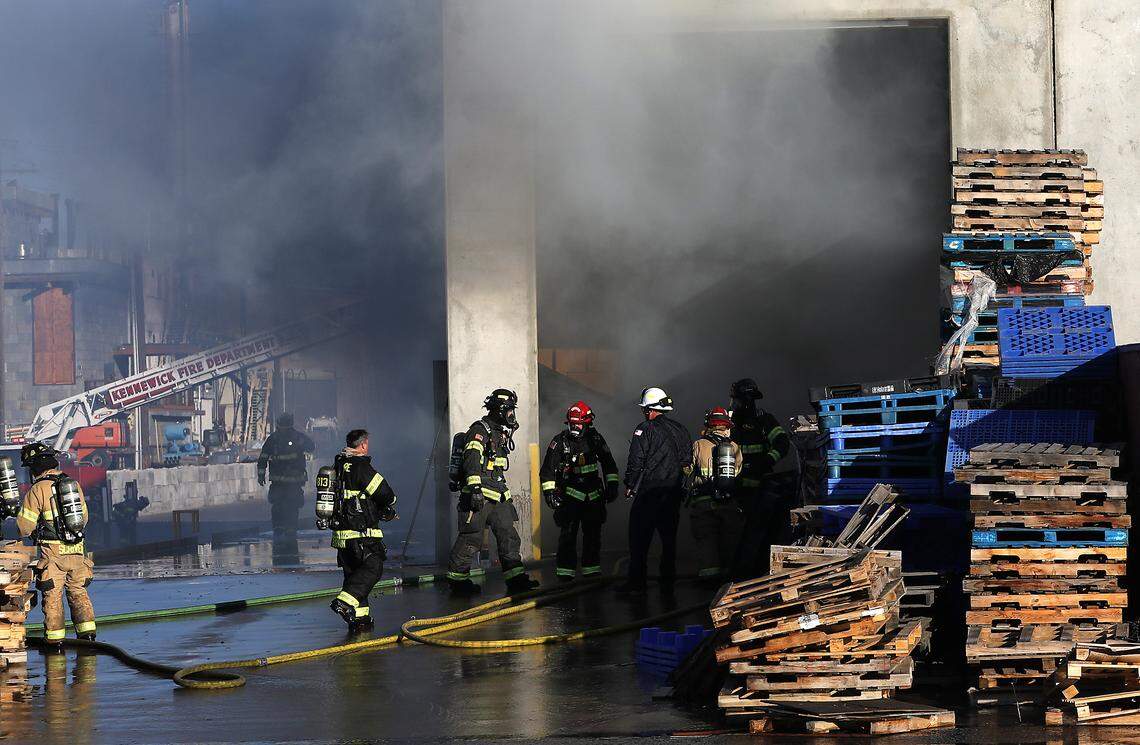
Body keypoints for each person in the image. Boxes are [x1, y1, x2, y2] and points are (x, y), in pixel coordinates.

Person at [447, 388, 540, 596]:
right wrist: (475, 489)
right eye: (509, 410)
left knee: (509, 535)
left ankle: (515, 579)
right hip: (478, 495)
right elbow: (471, 459)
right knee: (471, 539)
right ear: (499, 410)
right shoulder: (480, 430)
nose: (511, 415)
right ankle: (458, 581)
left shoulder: (499, 433)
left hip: (498, 494)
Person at [14, 443, 96, 649]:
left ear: (35, 467)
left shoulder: (38, 489)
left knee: (52, 596)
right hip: (78, 551)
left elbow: (24, 526)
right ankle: (88, 637)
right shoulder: (73, 484)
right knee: (78, 592)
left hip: (53, 554)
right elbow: (84, 517)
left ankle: (55, 641)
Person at [621, 387, 691, 594]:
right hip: (673, 493)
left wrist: (630, 484)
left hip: (650, 492)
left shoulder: (644, 429)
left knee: (639, 538)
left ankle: (636, 583)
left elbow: (636, 461)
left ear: (648, 409)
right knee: (668, 539)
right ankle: (667, 580)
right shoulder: (681, 429)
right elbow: (687, 461)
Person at [540, 401, 620, 582]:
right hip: (569, 497)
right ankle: (565, 574)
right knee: (567, 536)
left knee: (593, 535)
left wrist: (612, 486)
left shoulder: (596, 439)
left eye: (578, 425)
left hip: (593, 496)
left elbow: (609, 464)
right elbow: (547, 471)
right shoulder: (560, 442)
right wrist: (550, 494)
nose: (575, 428)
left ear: (587, 422)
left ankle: (591, 571)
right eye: (572, 424)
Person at [328, 429, 398, 630]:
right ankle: (344, 603)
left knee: (354, 576)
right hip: (361, 533)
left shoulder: (338, 465)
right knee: (373, 568)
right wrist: (389, 504)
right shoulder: (361, 467)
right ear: (364, 445)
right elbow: (385, 494)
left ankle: (359, 619)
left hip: (341, 536)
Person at [729, 378, 792, 577]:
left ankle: (750, 573)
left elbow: (782, 443)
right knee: (737, 533)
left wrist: (766, 460)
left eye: (736, 399)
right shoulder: (730, 422)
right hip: (735, 487)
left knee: (756, 532)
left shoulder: (764, 420)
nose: (734, 403)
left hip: (758, 487)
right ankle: (739, 572)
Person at [687, 407, 744, 584]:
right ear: (727, 426)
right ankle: (729, 579)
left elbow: (687, 469)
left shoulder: (699, 444)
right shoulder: (734, 447)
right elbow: (738, 473)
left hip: (703, 501)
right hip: (728, 502)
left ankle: (709, 578)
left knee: (706, 540)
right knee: (729, 539)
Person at [257, 413, 315, 544]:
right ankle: (281, 530)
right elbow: (263, 457)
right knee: (281, 505)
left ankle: (289, 530)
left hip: (288, 482)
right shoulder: (276, 439)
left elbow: (311, 447)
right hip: (283, 482)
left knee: (291, 506)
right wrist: (260, 474)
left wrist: (261, 475)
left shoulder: (280, 438)